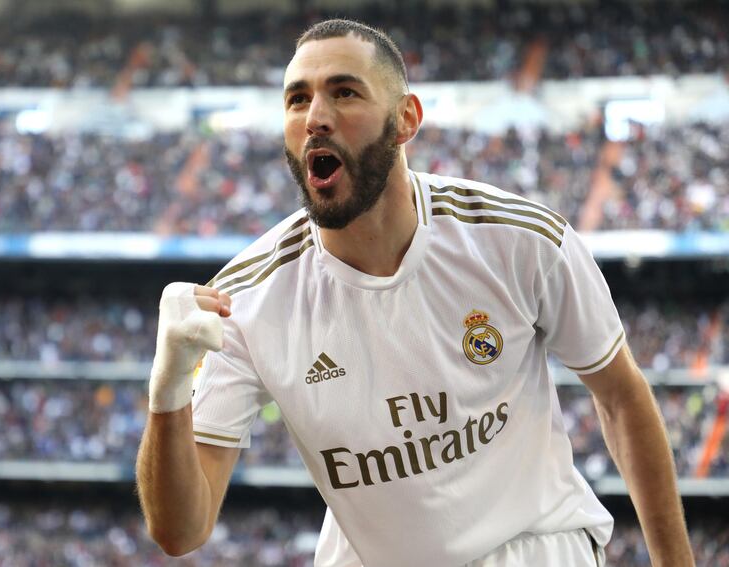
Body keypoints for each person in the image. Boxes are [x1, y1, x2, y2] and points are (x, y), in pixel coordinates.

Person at [136, 19, 695, 566]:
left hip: (534, 546)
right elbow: (181, 532)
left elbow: (622, 398)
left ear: (406, 119)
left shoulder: (519, 239)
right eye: (297, 100)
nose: (316, 118)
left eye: (344, 92)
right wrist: (168, 389)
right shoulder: (244, 300)